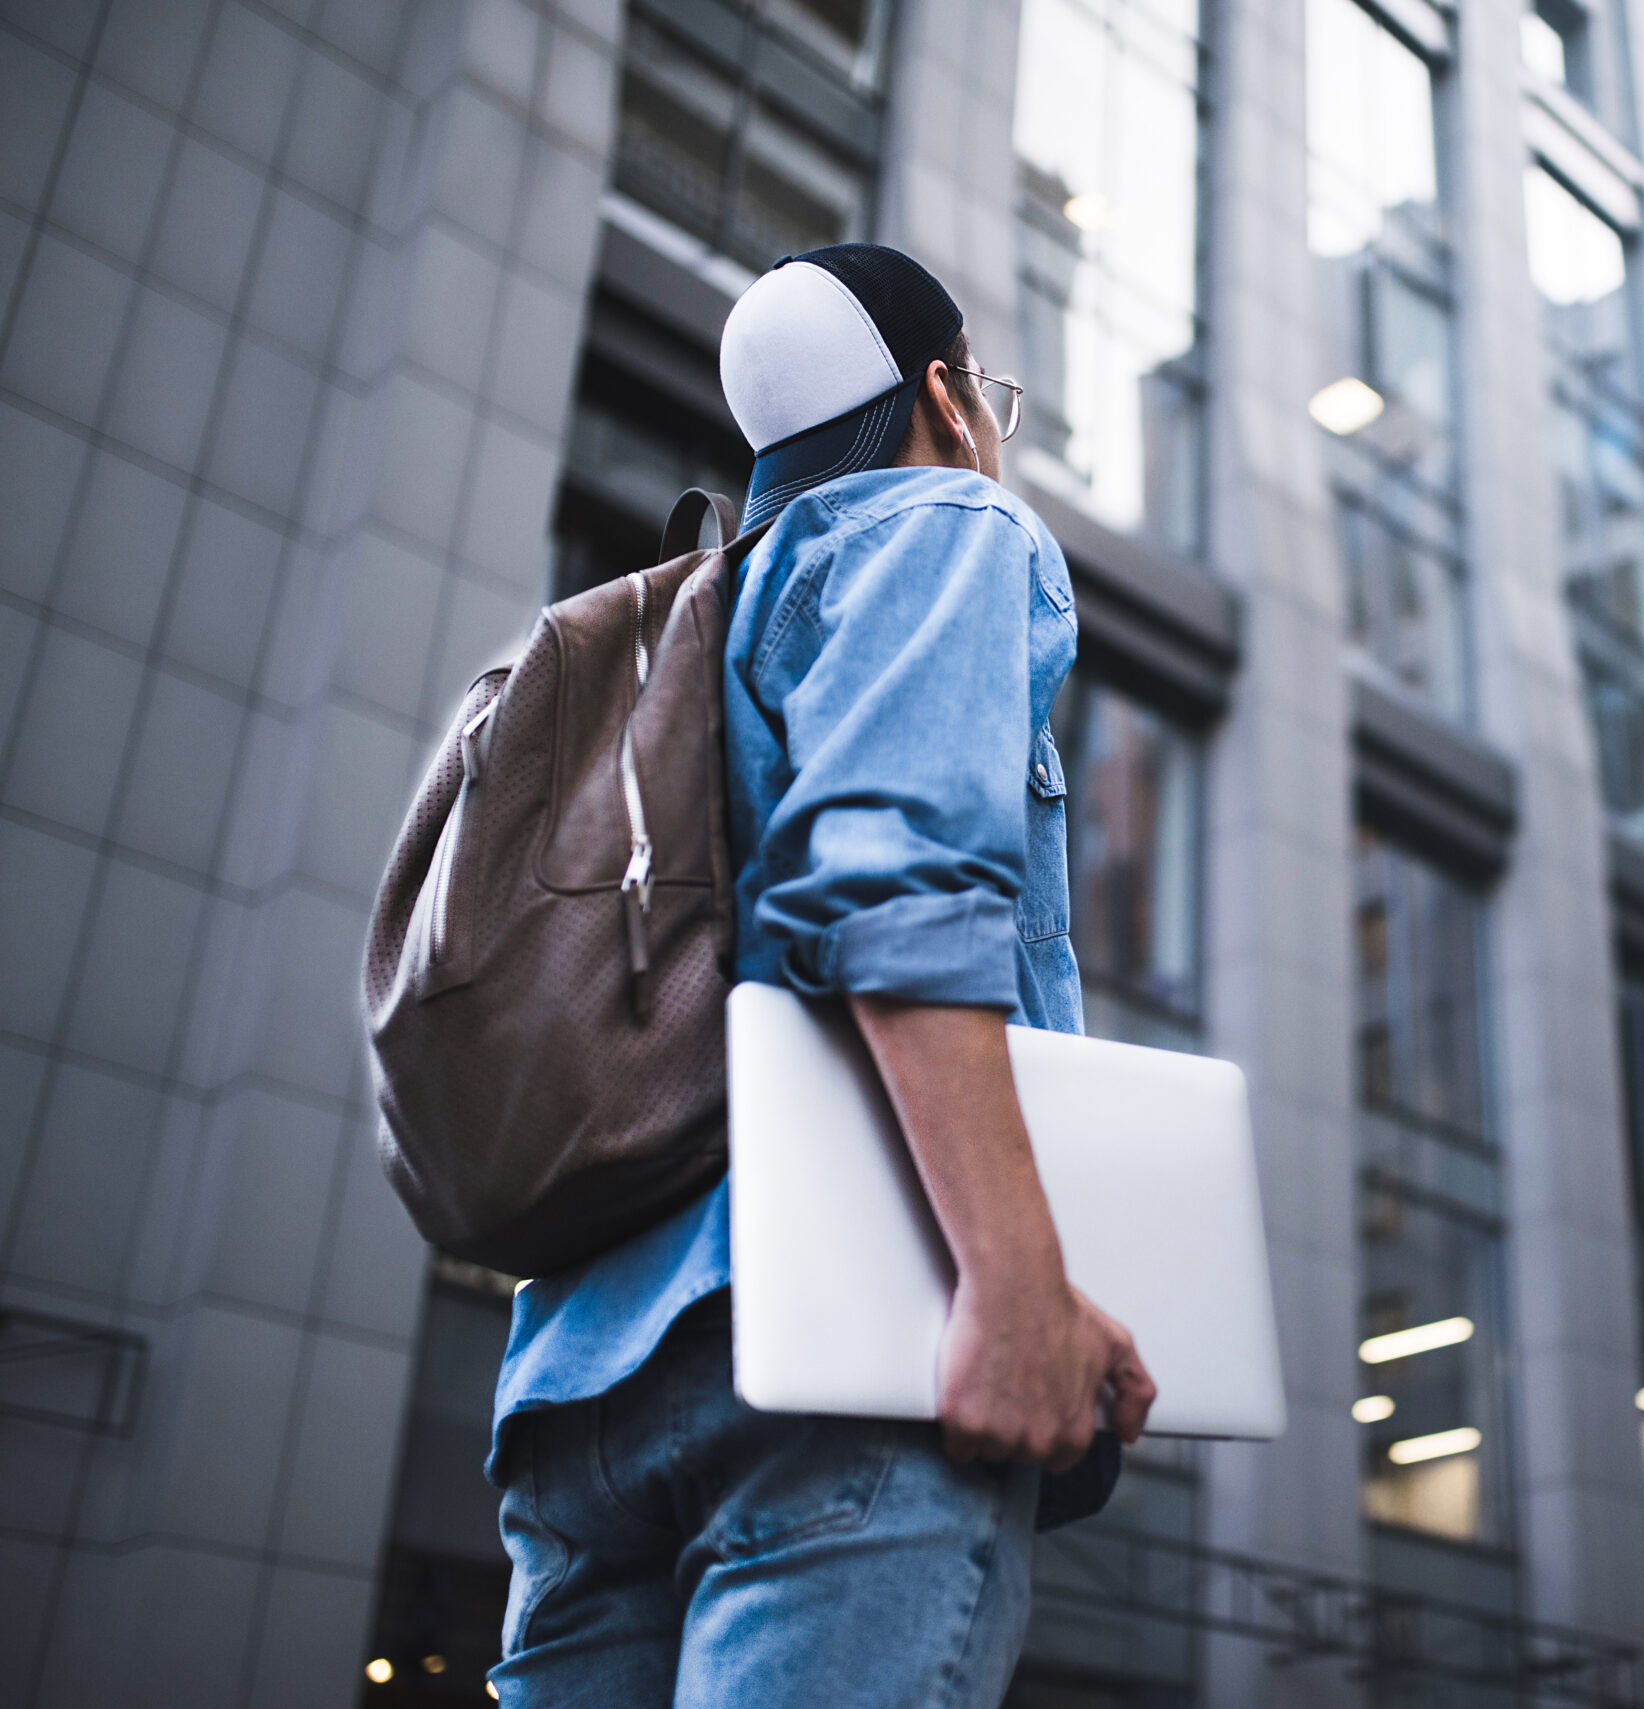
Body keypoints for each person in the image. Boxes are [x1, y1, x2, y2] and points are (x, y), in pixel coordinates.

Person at [483, 244, 1154, 1706]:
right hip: (843, 1360)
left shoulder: (683, 624)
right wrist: (1017, 1281)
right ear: (946, 393)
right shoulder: (946, 525)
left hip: (577, 1399)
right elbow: (895, 888)